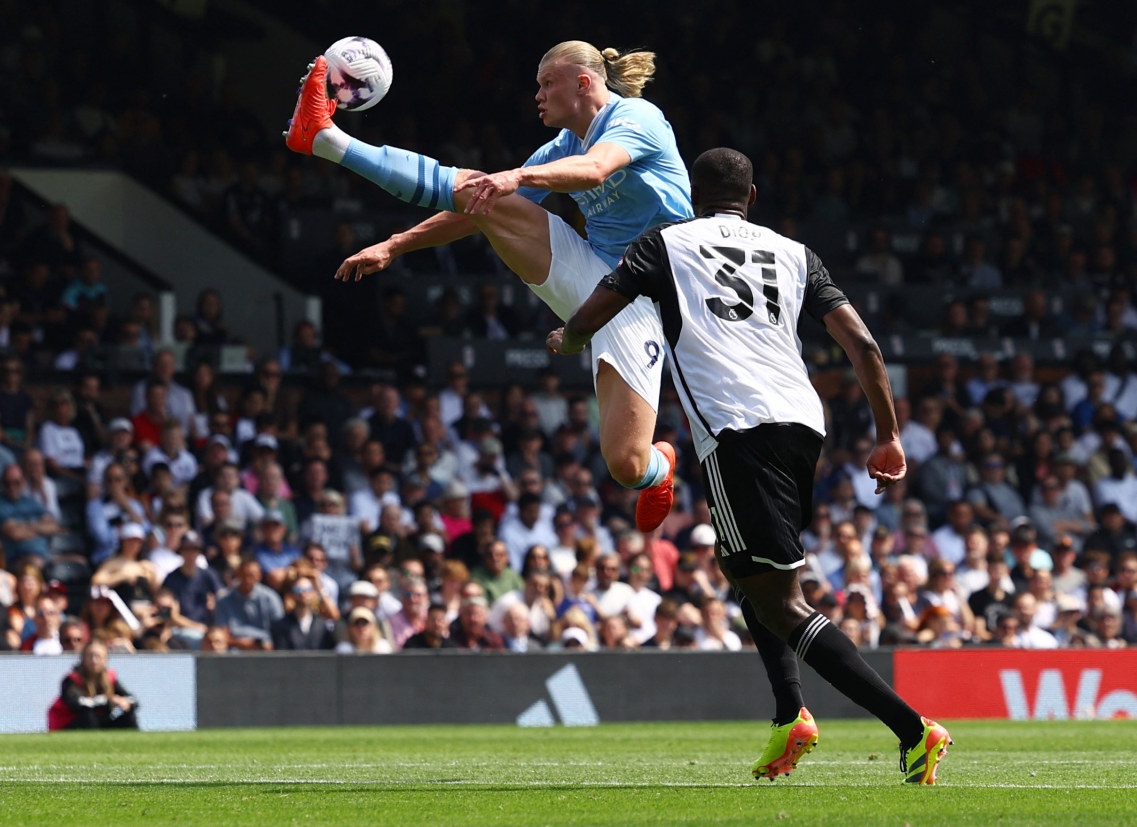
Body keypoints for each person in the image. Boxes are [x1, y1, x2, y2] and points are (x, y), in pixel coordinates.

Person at [548, 148, 951, 785]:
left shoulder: (666, 243)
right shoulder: (796, 253)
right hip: (801, 423)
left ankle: (913, 729)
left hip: (737, 429)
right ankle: (790, 714)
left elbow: (601, 305)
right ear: (753, 196)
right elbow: (864, 344)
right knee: (746, 571)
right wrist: (887, 436)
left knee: (780, 600)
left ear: (692, 194)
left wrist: (569, 337)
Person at [312, 43, 690, 532]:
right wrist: (394, 245)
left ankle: (662, 470)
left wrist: (514, 176)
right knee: (486, 196)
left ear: (582, 82)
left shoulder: (637, 116)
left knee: (627, 464)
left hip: (655, 294)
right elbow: (481, 201)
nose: (537, 95)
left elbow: (596, 170)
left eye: (546, 83)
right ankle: (329, 141)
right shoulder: (560, 149)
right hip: (601, 281)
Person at [48, 639, 138, 730]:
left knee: (128, 711)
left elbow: (133, 700)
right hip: (67, 724)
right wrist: (107, 701)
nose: (94, 660)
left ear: (106, 659)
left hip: (95, 721)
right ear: (83, 658)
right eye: (90, 656)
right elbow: (77, 704)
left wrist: (125, 702)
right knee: (88, 714)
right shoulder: (71, 680)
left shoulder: (109, 678)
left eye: (98, 656)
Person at [213, 558, 284, 650]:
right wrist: (241, 643)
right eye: (243, 575)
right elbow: (222, 633)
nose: (247, 580)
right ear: (237, 575)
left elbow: (279, 631)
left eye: (251, 576)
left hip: (265, 647)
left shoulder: (271, 598)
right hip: (233, 648)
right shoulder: (223, 599)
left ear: (259, 576)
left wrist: (267, 644)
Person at [272, 575, 335, 650]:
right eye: (297, 590)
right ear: (291, 593)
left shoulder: (322, 624)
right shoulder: (282, 625)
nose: (303, 593)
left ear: (313, 592)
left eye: (307, 589)